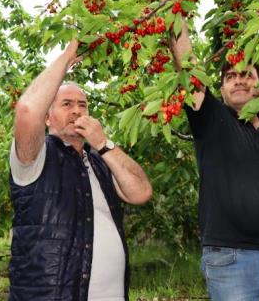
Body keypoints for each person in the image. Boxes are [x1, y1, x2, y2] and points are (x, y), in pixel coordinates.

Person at [170, 20, 259, 300]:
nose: (239, 80)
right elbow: (189, 68)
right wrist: (178, 11)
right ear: (222, 91)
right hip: (231, 260)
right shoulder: (212, 119)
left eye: (247, 75)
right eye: (230, 77)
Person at [8, 39, 152, 301]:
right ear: (48, 117)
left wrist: (103, 145)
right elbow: (27, 110)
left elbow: (140, 192)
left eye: (82, 105)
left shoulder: (99, 159)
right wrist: (66, 58)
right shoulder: (35, 158)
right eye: (66, 104)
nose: (76, 110)